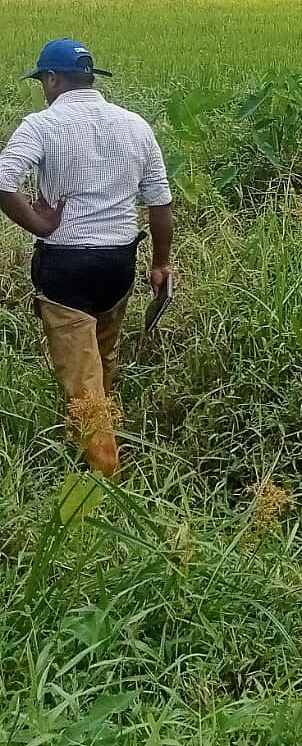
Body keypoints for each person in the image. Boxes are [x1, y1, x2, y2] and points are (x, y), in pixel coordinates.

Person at [0, 39, 174, 479]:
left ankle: (105, 479)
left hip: (65, 268)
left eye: (43, 81)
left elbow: (3, 182)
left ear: (52, 79)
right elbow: (160, 204)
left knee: (82, 382)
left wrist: (39, 225)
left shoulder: (42, 124)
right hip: (118, 265)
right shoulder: (135, 124)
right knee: (101, 359)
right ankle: (87, 440)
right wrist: (160, 264)